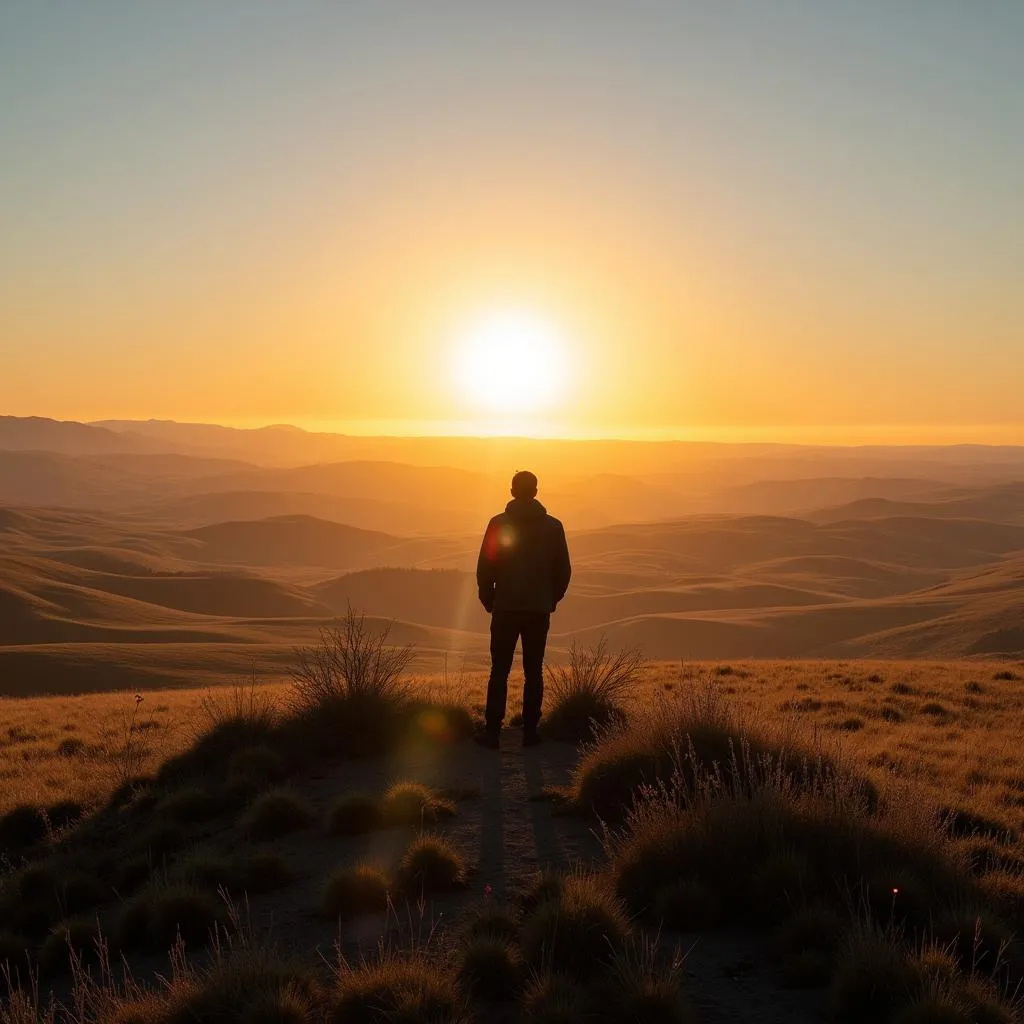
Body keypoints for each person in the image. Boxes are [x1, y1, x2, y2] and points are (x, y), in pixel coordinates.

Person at [474, 470, 571, 748]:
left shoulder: (498, 523)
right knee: (534, 671)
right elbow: (563, 571)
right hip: (537, 610)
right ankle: (530, 732)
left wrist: (488, 597)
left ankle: (492, 732)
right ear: (536, 492)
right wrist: (551, 599)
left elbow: (486, 566)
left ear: (512, 491)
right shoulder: (553, 527)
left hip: (505, 607)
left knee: (499, 670)